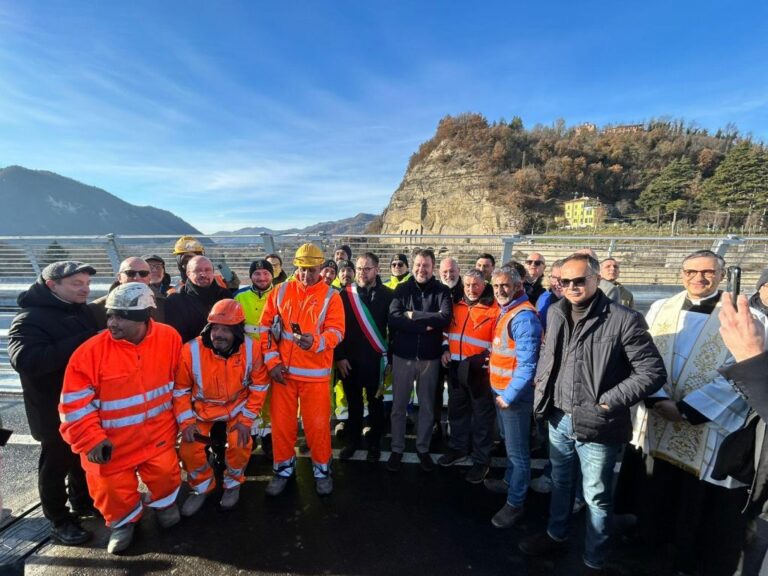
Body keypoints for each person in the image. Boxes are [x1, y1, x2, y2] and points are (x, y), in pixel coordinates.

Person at [518, 253, 666, 574]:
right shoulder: (557, 312)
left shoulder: (623, 319)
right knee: (560, 482)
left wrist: (608, 401)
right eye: (564, 281)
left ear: (597, 280)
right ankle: (555, 535)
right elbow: (550, 358)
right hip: (558, 415)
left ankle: (593, 558)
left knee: (596, 495)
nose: (571, 287)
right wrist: (542, 394)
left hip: (598, 422)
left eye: (579, 280)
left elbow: (652, 372)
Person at [629, 249, 768, 575]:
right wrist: (657, 399)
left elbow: (746, 372)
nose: (698, 278)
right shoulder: (661, 308)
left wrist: (688, 410)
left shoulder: (746, 319)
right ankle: (652, 541)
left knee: (695, 501)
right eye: (691, 271)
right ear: (681, 274)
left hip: (707, 425)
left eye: (707, 272)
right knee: (657, 487)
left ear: (721, 275)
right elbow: (643, 356)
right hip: (659, 416)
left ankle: (687, 554)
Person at [59, 283, 183, 554]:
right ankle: (123, 523)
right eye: (110, 315)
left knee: (165, 474)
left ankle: (165, 505)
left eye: (120, 316)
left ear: (142, 317)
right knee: (112, 490)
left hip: (158, 434)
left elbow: (180, 382)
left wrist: (184, 419)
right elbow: (74, 405)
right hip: (110, 443)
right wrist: (90, 440)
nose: (112, 323)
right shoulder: (89, 353)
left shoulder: (169, 337)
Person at [8, 261, 100, 545]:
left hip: (83, 404)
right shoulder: (29, 318)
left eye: (86, 284)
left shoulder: (80, 310)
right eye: (76, 284)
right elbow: (26, 360)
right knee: (56, 462)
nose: (84, 289)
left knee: (80, 457)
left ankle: (83, 503)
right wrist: (84, 341)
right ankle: (59, 519)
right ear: (52, 285)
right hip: (51, 409)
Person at [260, 243, 345, 496]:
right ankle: (283, 470)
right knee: (282, 427)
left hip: (315, 377)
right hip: (283, 375)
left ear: (322, 267)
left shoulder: (332, 297)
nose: (307, 274)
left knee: (317, 428)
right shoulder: (280, 291)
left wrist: (316, 342)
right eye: (302, 268)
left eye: (312, 269)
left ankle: (322, 471)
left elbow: (337, 332)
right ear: (295, 266)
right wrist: (272, 362)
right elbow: (265, 329)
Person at [174, 299, 270, 516]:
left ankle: (233, 484)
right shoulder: (190, 350)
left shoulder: (251, 348)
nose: (218, 334)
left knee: (240, 443)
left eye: (225, 329)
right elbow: (180, 390)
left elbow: (260, 384)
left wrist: (246, 420)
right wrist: (186, 422)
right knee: (188, 449)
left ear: (237, 332)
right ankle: (202, 488)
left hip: (237, 407)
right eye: (215, 327)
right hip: (202, 409)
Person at [481, 266, 542, 527]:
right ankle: (508, 482)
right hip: (502, 392)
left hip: (512, 397)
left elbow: (528, 364)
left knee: (518, 454)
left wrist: (509, 395)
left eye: (504, 286)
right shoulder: (508, 312)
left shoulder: (524, 317)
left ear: (518, 286)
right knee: (509, 443)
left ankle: (515, 503)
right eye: (495, 287)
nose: (499, 291)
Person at [387, 249, 452, 473]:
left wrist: (414, 315)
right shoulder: (402, 289)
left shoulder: (442, 291)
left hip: (430, 359)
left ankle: (422, 449)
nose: (420, 269)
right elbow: (394, 319)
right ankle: (397, 448)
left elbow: (445, 318)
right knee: (398, 407)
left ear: (433, 267)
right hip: (403, 356)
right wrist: (426, 323)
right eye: (417, 265)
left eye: (425, 265)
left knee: (426, 407)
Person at [438, 269, 499, 484]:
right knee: (457, 411)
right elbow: (446, 332)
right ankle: (458, 448)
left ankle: (482, 460)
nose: (471, 289)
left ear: (484, 285)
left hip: (479, 370)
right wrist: (445, 348)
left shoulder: (494, 309)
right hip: (455, 366)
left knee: (482, 417)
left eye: (476, 285)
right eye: (467, 285)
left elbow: (498, 341)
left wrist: (485, 359)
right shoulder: (456, 306)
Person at [335, 252, 392, 462]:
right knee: (354, 404)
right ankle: (353, 441)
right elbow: (335, 329)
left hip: (375, 361)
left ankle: (375, 442)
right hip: (349, 361)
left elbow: (393, 331)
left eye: (366, 269)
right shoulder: (344, 295)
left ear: (376, 270)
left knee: (376, 404)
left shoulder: (388, 295)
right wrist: (339, 356)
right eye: (359, 268)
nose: (361, 273)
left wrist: (390, 360)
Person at [234, 259, 276, 457]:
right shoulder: (240, 297)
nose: (262, 277)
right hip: (247, 358)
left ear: (272, 275)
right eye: (257, 274)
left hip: (272, 356)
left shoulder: (278, 295)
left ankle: (269, 438)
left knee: (270, 399)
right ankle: (249, 437)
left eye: (266, 273)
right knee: (248, 397)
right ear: (251, 276)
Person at [165, 255, 230, 343]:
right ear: (188, 274)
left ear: (213, 272)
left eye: (207, 270)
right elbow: (177, 336)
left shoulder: (226, 296)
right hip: (191, 353)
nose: (203, 274)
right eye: (197, 270)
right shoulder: (175, 301)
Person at [91, 257, 165, 327]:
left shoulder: (164, 304)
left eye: (143, 273)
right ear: (119, 277)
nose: (137, 278)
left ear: (149, 277)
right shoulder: (96, 309)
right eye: (130, 273)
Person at [168, 235, 239, 293]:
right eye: (186, 261)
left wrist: (233, 290)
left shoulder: (220, 282)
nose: (191, 265)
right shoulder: (174, 294)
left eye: (194, 260)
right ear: (180, 265)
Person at [535, 259, 564, 332]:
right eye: (554, 278)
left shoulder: (578, 305)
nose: (557, 283)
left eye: (562, 279)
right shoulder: (543, 298)